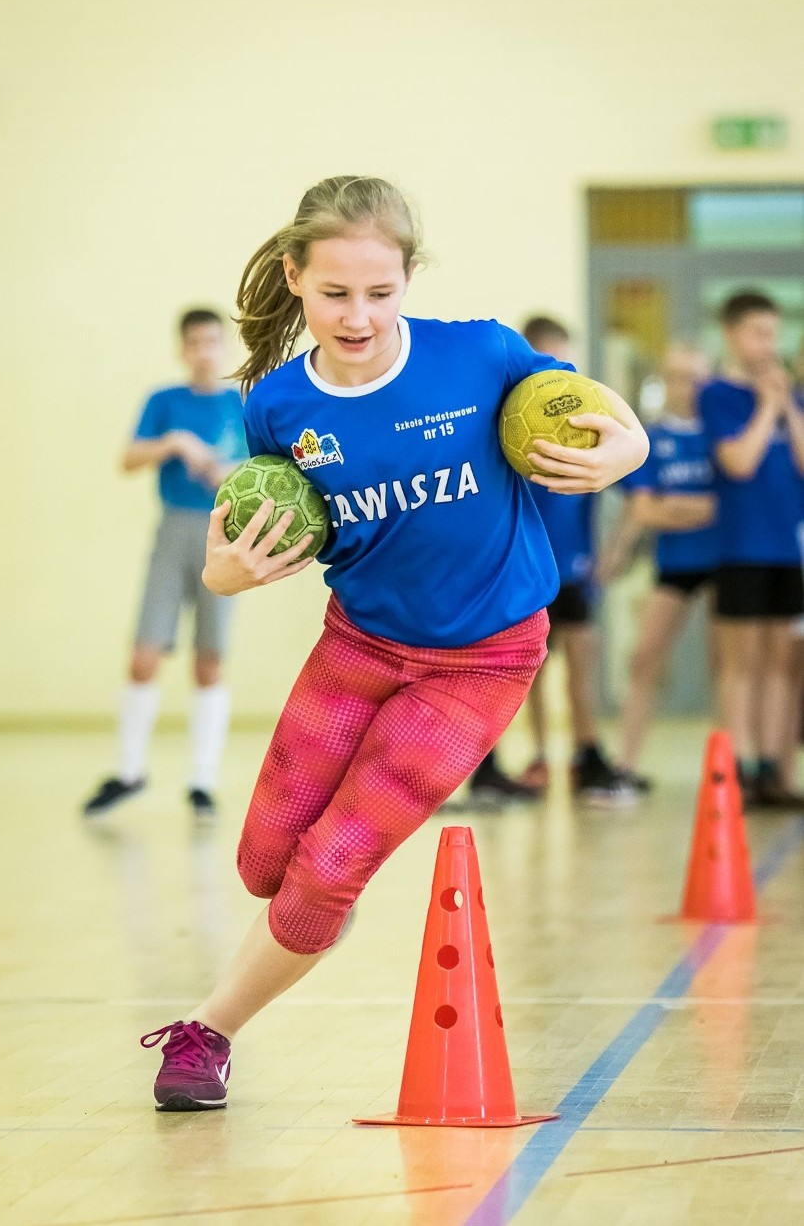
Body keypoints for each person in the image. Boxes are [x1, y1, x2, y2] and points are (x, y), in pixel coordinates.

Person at [139, 176, 649, 1111]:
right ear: (295, 277)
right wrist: (225, 575)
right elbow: (246, 546)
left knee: (325, 869)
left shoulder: (485, 355)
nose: (360, 316)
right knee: (264, 865)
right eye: (335, 293)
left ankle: (206, 1033)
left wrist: (631, 450)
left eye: (381, 291)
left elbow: (600, 417)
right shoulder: (279, 408)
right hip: (359, 647)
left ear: (409, 277)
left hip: (484, 663)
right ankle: (320, 898)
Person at [82, 308, 249, 821]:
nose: (204, 351)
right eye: (194, 342)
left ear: (224, 348)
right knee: (145, 654)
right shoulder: (164, 401)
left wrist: (231, 473)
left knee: (210, 660)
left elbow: (268, 466)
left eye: (213, 342)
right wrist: (174, 442)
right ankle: (130, 770)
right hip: (173, 530)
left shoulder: (241, 403)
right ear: (182, 349)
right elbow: (128, 458)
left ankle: (202, 780)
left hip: (222, 534)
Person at [470, 317, 624, 806]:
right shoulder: (507, 419)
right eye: (548, 351)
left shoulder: (583, 414)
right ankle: (530, 758)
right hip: (522, 562)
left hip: (574, 564)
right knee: (524, 669)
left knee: (583, 661)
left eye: (564, 351)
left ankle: (588, 755)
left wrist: (603, 552)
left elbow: (600, 493)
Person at [598, 344, 720, 790]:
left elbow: (725, 507)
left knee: (725, 666)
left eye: (695, 377)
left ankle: (729, 766)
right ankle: (626, 765)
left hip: (723, 562)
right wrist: (696, 508)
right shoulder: (648, 439)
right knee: (644, 657)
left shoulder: (718, 433)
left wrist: (674, 506)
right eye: (676, 376)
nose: (685, 387)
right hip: (675, 564)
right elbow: (643, 512)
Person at [699, 291, 804, 806]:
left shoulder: (793, 398)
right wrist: (766, 408)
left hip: (790, 549)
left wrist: (786, 403)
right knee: (741, 663)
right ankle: (736, 767)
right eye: (758, 332)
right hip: (742, 548)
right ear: (732, 334)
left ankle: (772, 767)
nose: (768, 344)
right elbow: (738, 462)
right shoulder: (717, 394)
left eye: (774, 332)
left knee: (781, 663)